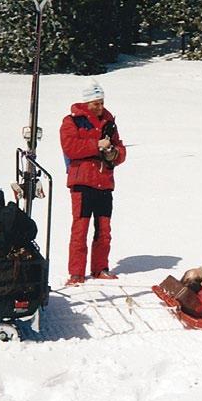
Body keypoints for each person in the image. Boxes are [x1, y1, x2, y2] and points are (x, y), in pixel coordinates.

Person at [60, 81, 126, 285]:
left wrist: (114, 153)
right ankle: (76, 273)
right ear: (86, 102)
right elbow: (70, 147)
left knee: (104, 229)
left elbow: (120, 149)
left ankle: (100, 268)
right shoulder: (72, 121)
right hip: (82, 182)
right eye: (96, 103)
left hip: (104, 182)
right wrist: (96, 145)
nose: (100, 107)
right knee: (80, 228)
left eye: (102, 102)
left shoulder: (109, 122)